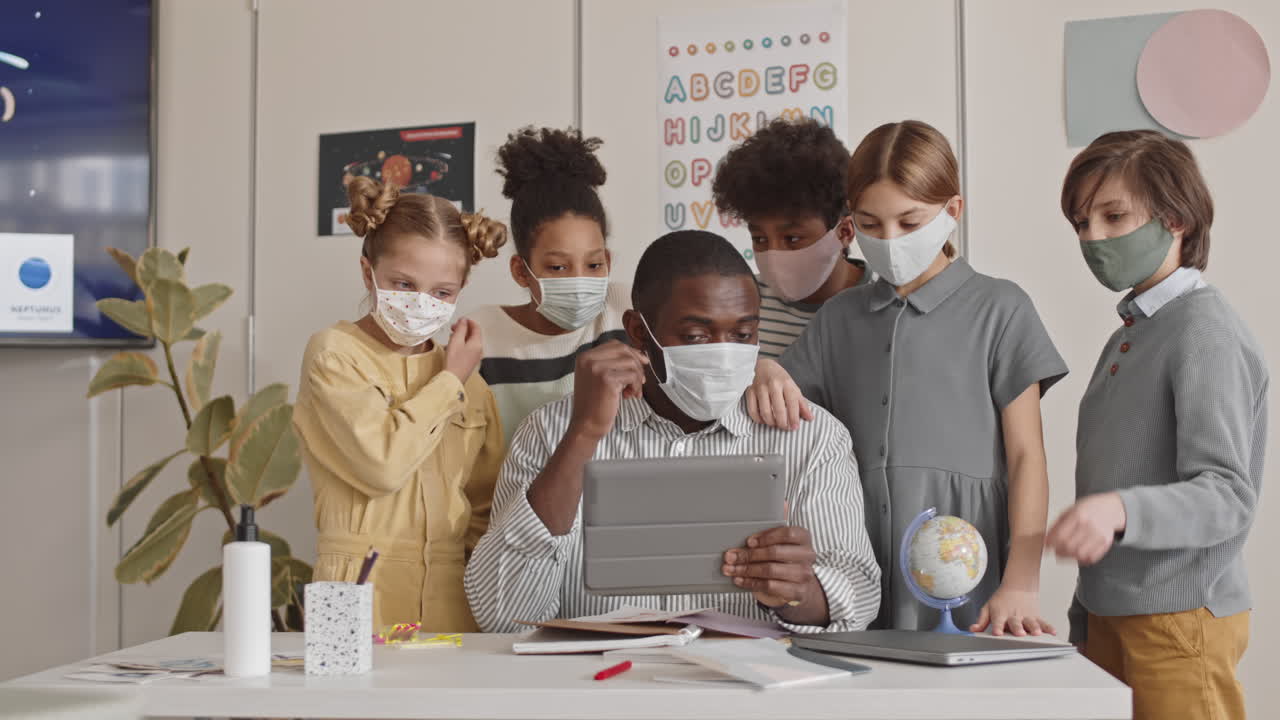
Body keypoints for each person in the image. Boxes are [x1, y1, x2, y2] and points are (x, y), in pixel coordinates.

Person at [464, 230, 881, 633]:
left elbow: (859, 597)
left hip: (745, 701)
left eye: (743, 334)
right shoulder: (550, 432)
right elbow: (501, 613)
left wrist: (799, 591)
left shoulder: (809, 437)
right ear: (638, 331)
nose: (722, 351)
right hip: (596, 698)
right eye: (696, 335)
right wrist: (584, 434)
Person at [750, 120, 1067, 636]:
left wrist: (1022, 581)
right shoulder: (837, 319)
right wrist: (764, 367)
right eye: (870, 225)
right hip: (859, 566)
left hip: (965, 563)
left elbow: (1027, 456)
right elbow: (775, 404)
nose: (890, 241)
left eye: (910, 222)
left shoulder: (1002, 308)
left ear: (953, 213)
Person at [1047, 130, 1267, 720]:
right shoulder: (1131, 334)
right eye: (1080, 222)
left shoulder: (1203, 330)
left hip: (1179, 621)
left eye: (1113, 215)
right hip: (1109, 616)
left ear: (1176, 218)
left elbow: (1226, 495)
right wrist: (1084, 613)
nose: (1093, 237)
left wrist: (1117, 511)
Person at [293, 177, 507, 631]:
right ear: (368, 272)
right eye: (404, 283)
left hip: (454, 596)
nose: (420, 303)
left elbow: (486, 507)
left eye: (442, 292)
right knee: (349, 704)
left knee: (449, 704)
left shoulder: (473, 385)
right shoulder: (334, 354)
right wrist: (451, 379)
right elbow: (381, 464)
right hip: (355, 588)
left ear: (461, 290)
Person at [465, 127, 630, 447]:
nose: (579, 280)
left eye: (594, 265)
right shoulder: (480, 336)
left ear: (607, 260)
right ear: (521, 272)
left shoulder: (625, 309)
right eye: (557, 267)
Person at [712, 117, 873, 359]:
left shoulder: (886, 304)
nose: (775, 255)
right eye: (760, 239)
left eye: (792, 238)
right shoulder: (738, 304)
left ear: (845, 232)